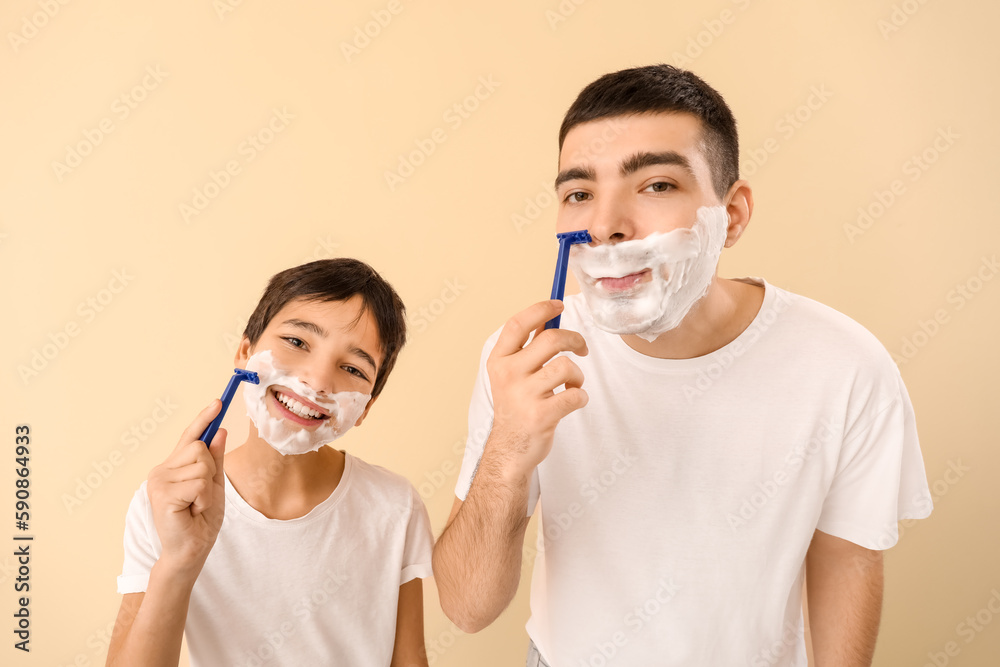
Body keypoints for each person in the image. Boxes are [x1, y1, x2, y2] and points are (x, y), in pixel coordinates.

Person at [432, 64, 934, 666]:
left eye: (656, 185)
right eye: (579, 193)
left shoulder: (845, 366)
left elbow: (847, 563)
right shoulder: (525, 362)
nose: (605, 225)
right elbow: (466, 608)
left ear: (734, 215)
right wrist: (508, 447)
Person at [107, 258, 433, 667]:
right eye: (297, 342)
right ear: (245, 352)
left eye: (351, 368)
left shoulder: (395, 508)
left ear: (366, 406)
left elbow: (410, 658)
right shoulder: (168, 505)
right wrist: (179, 560)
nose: (316, 381)